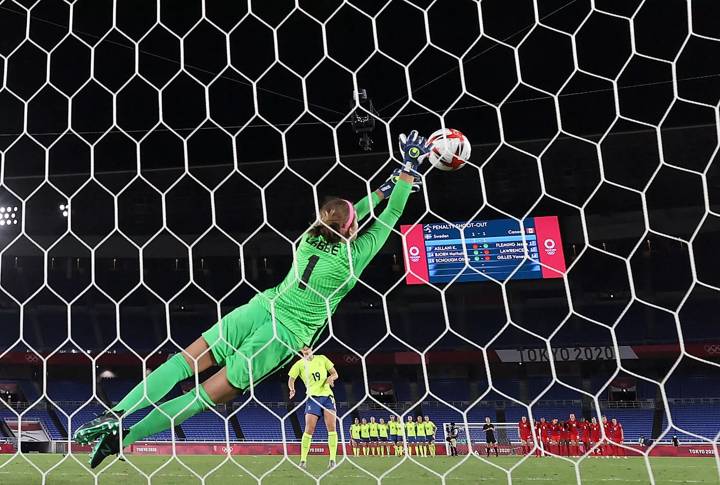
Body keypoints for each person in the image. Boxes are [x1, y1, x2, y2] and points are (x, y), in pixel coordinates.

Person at [72, 131, 431, 468]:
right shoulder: (354, 257)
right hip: (284, 335)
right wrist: (408, 172)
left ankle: (115, 413)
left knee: (183, 362)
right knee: (205, 396)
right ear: (352, 229)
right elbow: (391, 217)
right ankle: (123, 438)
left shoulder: (308, 237)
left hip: (260, 307)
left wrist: (389, 184)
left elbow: (352, 211)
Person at [287, 350, 339, 468]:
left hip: (327, 397)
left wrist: (331, 378)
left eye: (308, 347)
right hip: (312, 398)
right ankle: (303, 461)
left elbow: (335, 373)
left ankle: (332, 460)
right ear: (301, 350)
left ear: (311, 348)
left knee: (332, 427)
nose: (306, 349)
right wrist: (292, 389)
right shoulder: (299, 364)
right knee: (309, 428)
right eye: (303, 347)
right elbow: (291, 379)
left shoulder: (322, 358)